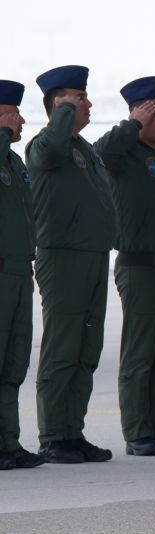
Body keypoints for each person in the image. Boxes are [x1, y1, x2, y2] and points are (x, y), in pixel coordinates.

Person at [93, 76, 155, 457]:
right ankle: (138, 431)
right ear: (138, 115)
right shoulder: (124, 155)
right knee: (141, 352)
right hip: (141, 267)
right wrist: (132, 124)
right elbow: (100, 152)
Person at [27, 65, 117, 464]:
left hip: (92, 256)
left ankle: (71, 431)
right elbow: (49, 149)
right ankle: (53, 437)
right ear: (60, 103)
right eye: (80, 98)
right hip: (62, 257)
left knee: (85, 349)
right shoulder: (44, 146)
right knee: (62, 349)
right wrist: (62, 111)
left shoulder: (83, 149)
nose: (89, 103)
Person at [0, 80, 42, 470]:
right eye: (13, 113)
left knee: (13, 362)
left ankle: (8, 443)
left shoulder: (13, 162)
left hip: (16, 271)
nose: (21, 121)